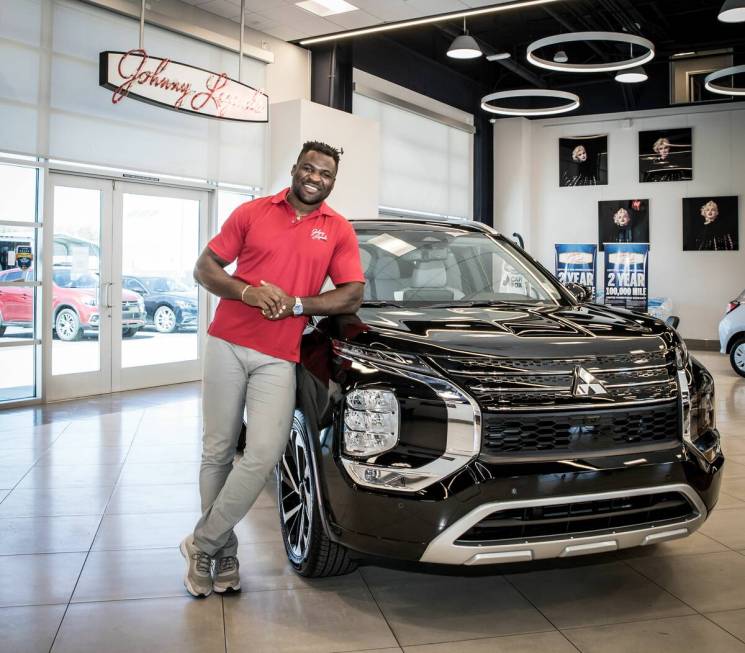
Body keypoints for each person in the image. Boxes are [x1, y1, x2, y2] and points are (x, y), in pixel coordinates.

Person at [180, 141, 365, 597]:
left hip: (280, 355)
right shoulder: (253, 212)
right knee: (219, 450)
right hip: (227, 343)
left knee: (264, 453)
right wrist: (245, 292)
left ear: (333, 181)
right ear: (295, 168)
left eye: (324, 173)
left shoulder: (337, 229)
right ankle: (221, 554)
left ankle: (201, 541)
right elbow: (205, 268)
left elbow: (352, 294)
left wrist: (299, 303)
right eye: (308, 168)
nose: (314, 177)